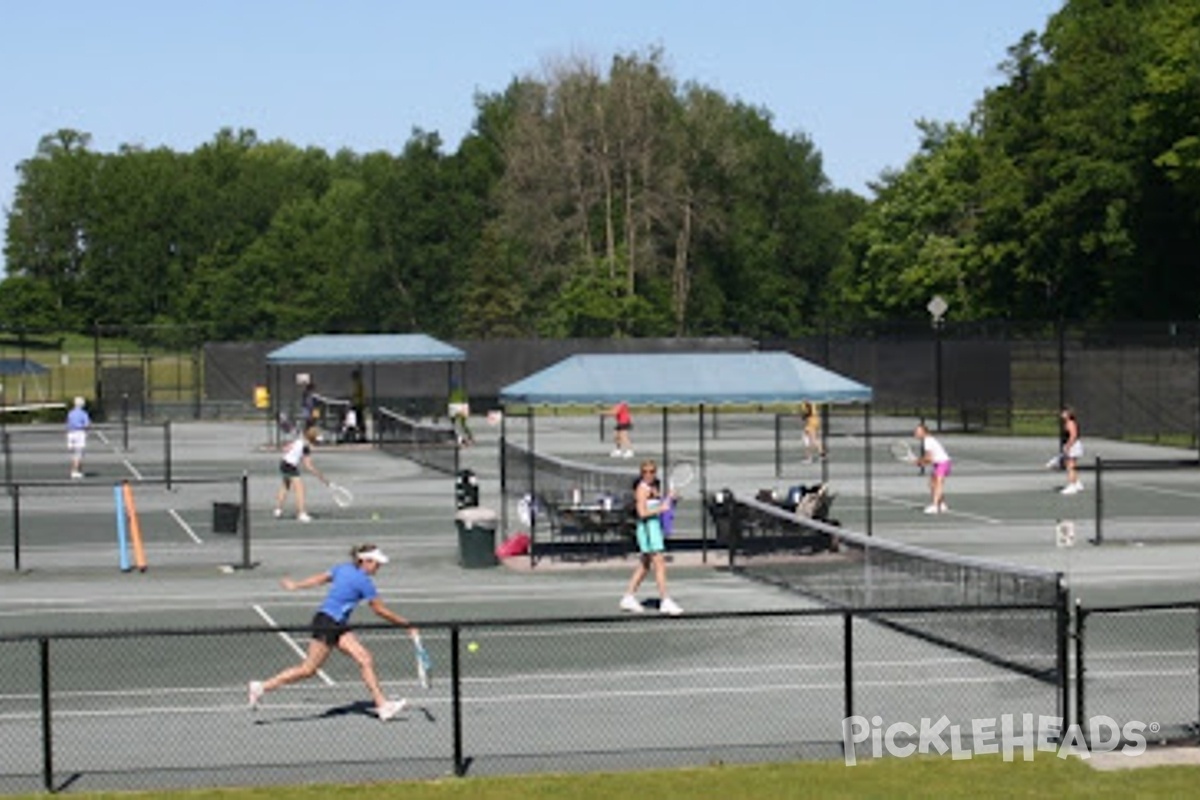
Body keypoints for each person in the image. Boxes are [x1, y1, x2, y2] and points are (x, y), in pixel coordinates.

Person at [248, 544, 418, 721]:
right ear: (365, 561)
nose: (379, 567)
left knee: (364, 658)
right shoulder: (364, 582)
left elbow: (320, 579)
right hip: (328, 624)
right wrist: (406, 624)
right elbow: (380, 610)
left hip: (337, 624)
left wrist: (296, 585)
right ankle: (261, 687)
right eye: (376, 563)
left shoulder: (342, 568)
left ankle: (382, 706)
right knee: (308, 669)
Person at [619, 460, 683, 616]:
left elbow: (660, 504)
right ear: (641, 473)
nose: (648, 475)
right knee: (659, 563)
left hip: (654, 527)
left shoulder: (654, 487)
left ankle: (628, 597)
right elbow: (642, 513)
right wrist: (661, 508)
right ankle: (665, 601)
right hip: (647, 528)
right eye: (645, 472)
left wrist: (669, 498)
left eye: (652, 471)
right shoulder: (642, 489)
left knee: (645, 565)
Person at [274, 426, 327, 522]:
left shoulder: (299, 440)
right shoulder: (305, 447)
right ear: (312, 439)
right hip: (290, 466)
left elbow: (286, 448)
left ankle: (278, 509)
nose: (318, 443)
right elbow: (308, 465)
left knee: (285, 486)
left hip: (283, 463)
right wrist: (320, 476)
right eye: (317, 441)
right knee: (300, 489)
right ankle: (301, 513)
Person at [914, 423, 952, 514]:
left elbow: (929, 458)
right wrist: (921, 462)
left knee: (938, 484)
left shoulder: (927, 441)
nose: (915, 433)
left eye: (918, 431)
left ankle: (935, 506)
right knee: (932, 484)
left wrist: (920, 461)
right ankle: (942, 504)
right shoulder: (927, 440)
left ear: (924, 432)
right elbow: (930, 459)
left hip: (943, 463)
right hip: (939, 463)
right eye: (916, 431)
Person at [1060, 406, 1084, 495]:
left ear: (1069, 414)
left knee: (1070, 466)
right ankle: (1077, 483)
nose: (1062, 414)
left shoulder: (1070, 423)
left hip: (1073, 446)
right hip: (1071, 445)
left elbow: (1073, 436)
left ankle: (1072, 486)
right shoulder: (1067, 423)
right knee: (1070, 465)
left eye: (1064, 412)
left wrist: (1068, 446)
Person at [66, 396, 91, 479]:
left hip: (71, 434)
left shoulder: (70, 413)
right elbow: (87, 425)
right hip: (79, 433)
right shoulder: (84, 414)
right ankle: (74, 471)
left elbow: (68, 423)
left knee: (75, 454)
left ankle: (78, 470)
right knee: (78, 454)